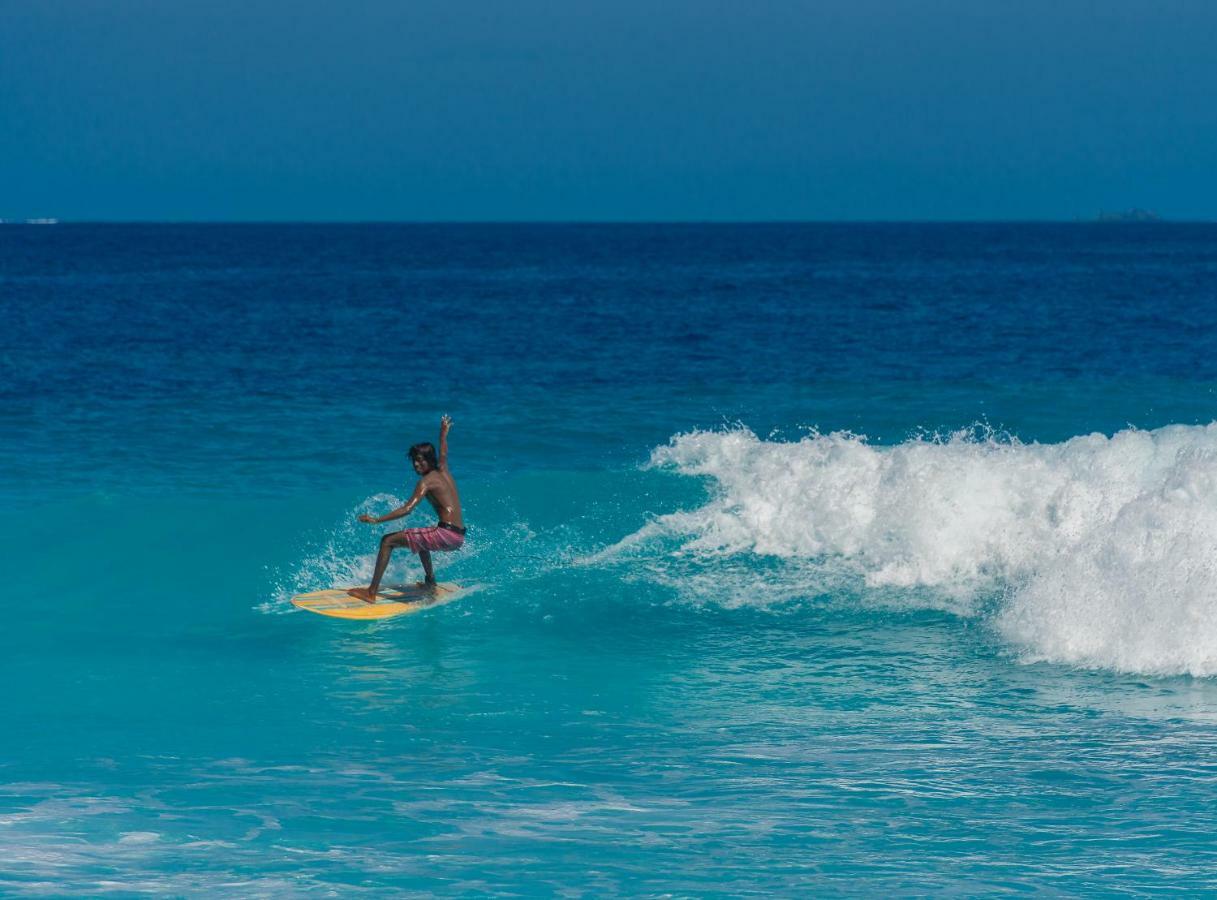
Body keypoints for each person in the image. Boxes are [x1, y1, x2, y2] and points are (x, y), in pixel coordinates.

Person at [347, 415, 466, 602]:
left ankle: (371, 593)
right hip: (457, 536)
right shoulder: (443, 469)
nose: (416, 464)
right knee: (420, 539)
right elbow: (443, 452)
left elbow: (408, 509)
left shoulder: (426, 482)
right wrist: (443, 433)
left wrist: (377, 520)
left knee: (387, 541)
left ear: (429, 460)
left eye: (420, 460)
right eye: (414, 461)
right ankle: (430, 581)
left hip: (445, 535)